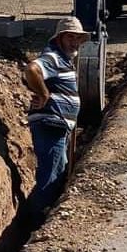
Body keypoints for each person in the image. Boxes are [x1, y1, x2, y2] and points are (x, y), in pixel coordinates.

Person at [23, 16, 90, 223]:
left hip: (58, 124)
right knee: (50, 176)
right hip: (51, 123)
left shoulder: (63, 60)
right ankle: (33, 222)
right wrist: (43, 95)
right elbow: (31, 70)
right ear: (59, 38)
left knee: (58, 172)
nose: (75, 42)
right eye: (70, 37)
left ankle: (39, 216)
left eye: (78, 38)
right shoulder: (53, 57)